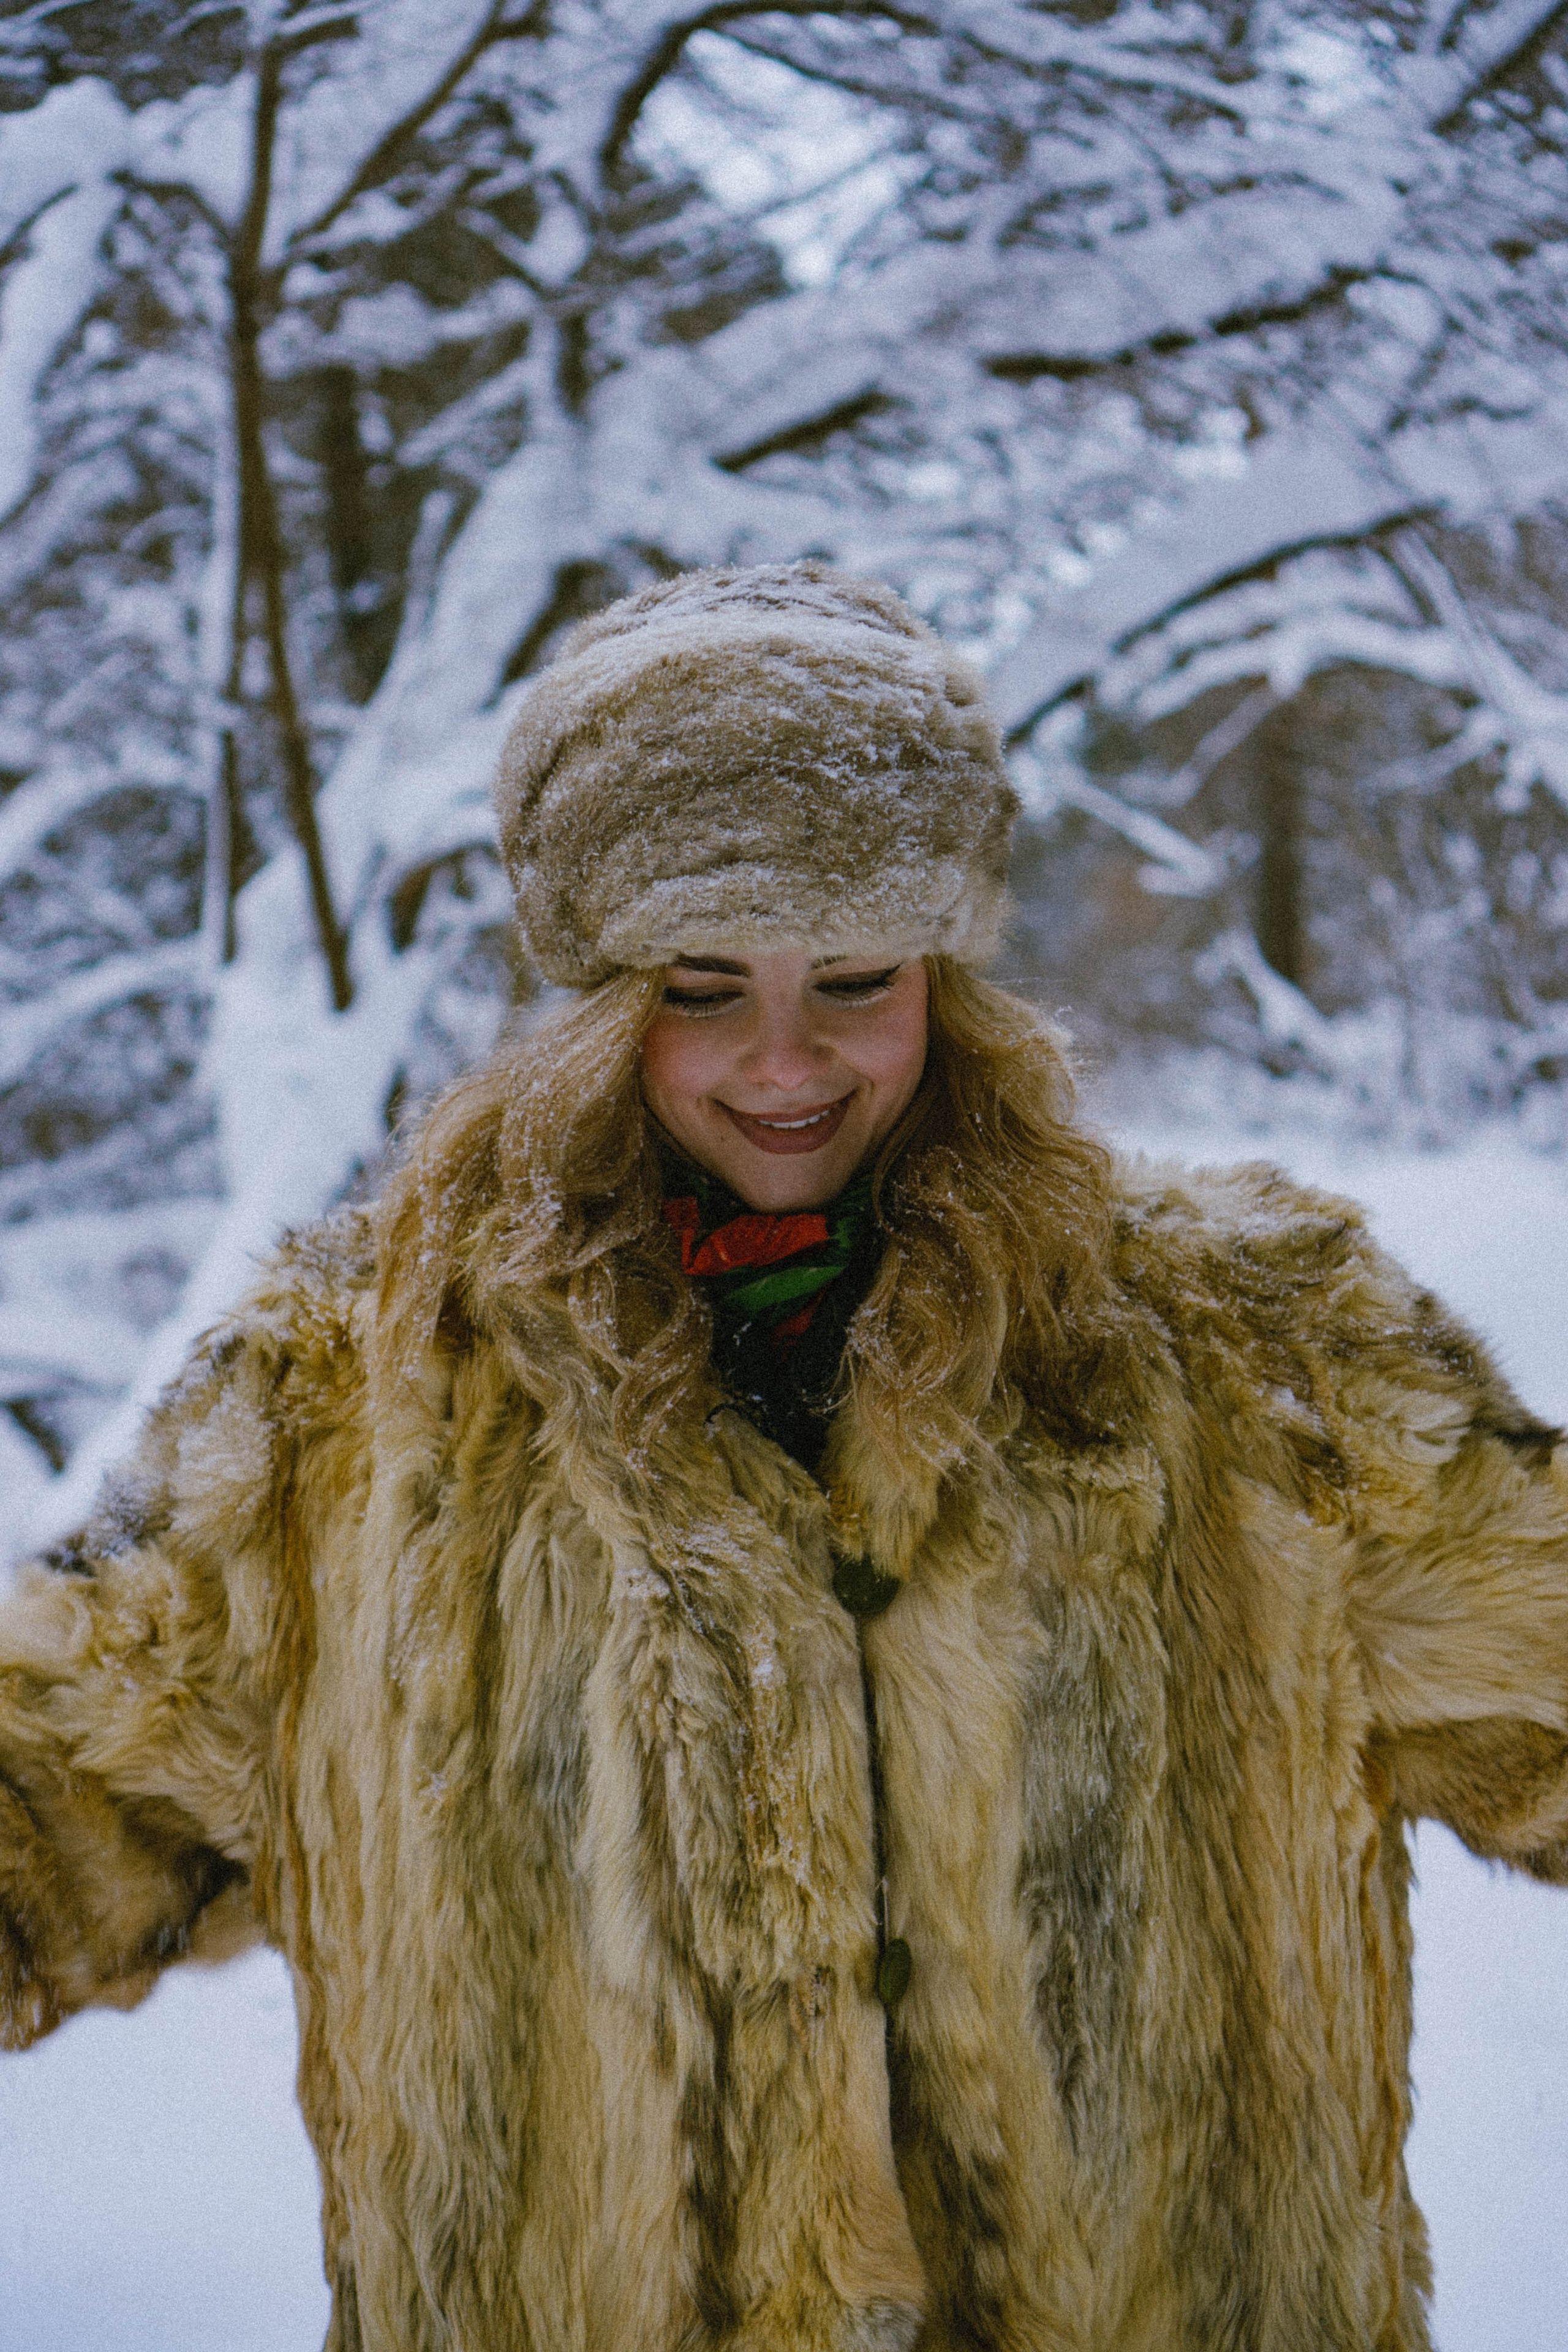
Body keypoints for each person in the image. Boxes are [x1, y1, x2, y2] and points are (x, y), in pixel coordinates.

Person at [1, 562, 1565, 2352]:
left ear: (943, 975)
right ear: (596, 990)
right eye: (700, 984)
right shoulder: (350, 1404)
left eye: (852, 979)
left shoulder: (1258, 1354)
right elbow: (59, 1786)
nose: (784, 1060)